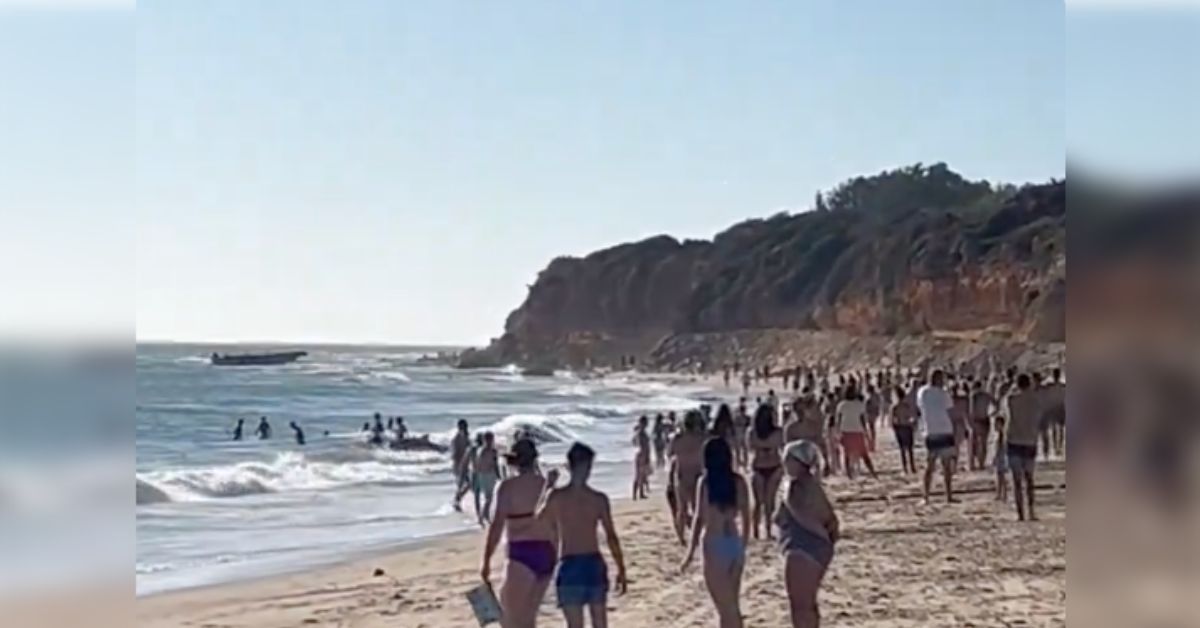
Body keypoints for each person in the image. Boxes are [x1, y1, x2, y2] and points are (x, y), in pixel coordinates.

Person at [537, 443, 628, 628]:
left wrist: (548, 486)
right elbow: (611, 537)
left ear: (569, 466)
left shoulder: (556, 496)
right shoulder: (598, 499)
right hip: (593, 562)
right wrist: (621, 568)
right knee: (600, 623)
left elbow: (539, 520)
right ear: (589, 467)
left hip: (569, 563)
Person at [481, 438, 556, 628]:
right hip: (546, 554)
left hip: (520, 554)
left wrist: (486, 561)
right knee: (528, 619)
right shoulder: (544, 485)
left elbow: (497, 526)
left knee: (509, 620)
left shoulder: (507, 487)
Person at [680, 438, 751, 628]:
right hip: (733, 541)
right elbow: (747, 517)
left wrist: (689, 553)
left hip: (713, 542)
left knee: (725, 607)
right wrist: (743, 545)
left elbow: (698, 518)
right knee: (731, 604)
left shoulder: (705, 483)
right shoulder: (738, 481)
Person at [776, 440, 839, 628]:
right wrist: (827, 540)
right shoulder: (813, 483)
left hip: (802, 547)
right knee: (809, 604)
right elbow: (832, 519)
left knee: (799, 606)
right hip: (818, 549)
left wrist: (819, 534)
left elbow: (799, 515)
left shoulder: (794, 485)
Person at [1005, 373, 1042, 521]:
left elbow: (1005, 407)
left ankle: (1020, 513)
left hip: (1014, 439)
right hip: (1030, 440)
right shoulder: (1036, 401)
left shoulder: (1012, 399)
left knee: (1016, 481)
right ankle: (1032, 510)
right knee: (1029, 479)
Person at [918, 370, 958, 503]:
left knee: (930, 465)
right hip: (945, 430)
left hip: (931, 430)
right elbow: (950, 410)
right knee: (945, 466)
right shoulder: (944, 393)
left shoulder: (922, 392)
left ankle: (926, 496)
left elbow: (921, 407)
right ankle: (948, 495)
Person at [669, 410, 708, 546]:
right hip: (697, 474)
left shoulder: (678, 438)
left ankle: (681, 538)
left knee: (683, 509)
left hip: (683, 475)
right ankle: (691, 536)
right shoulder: (703, 437)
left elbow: (670, 454)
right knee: (696, 508)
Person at [747, 404, 784, 540]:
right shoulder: (777, 432)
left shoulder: (752, 432)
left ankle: (758, 530)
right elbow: (779, 446)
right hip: (770, 465)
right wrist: (768, 447)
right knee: (767, 502)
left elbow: (751, 447)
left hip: (762, 466)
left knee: (761, 502)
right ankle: (764, 530)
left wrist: (763, 447)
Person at [836, 384, 877, 480]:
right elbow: (862, 419)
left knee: (847, 454)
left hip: (846, 431)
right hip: (857, 431)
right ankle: (872, 472)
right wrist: (866, 432)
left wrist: (837, 432)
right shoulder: (859, 404)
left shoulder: (841, 405)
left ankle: (849, 474)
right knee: (864, 454)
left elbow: (839, 420)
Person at [475, 432, 501, 525]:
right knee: (488, 498)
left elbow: (495, 464)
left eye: (491, 439)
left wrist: (498, 475)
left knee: (489, 497)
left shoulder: (491, 451)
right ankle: (482, 517)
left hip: (489, 474)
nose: (490, 441)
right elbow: (478, 465)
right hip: (485, 475)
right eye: (488, 439)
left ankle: (485, 515)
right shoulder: (482, 451)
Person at [890, 386, 917, 474]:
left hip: (900, 427)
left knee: (902, 449)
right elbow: (912, 416)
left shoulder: (894, 407)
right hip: (907, 426)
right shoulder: (906, 406)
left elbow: (892, 419)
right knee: (910, 449)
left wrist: (894, 427)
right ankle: (912, 466)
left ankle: (905, 467)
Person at [969, 381, 995, 471]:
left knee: (974, 443)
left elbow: (971, 409)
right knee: (983, 443)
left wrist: (970, 421)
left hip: (976, 420)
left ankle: (972, 465)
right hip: (984, 419)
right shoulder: (986, 395)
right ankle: (981, 463)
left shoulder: (973, 395)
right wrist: (992, 413)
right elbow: (996, 404)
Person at [451, 420, 473, 511]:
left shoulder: (465, 436)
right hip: (459, 465)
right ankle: (456, 501)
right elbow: (455, 454)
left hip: (465, 464)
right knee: (464, 484)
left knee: (468, 484)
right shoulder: (457, 439)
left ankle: (458, 500)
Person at [632, 416, 652, 500]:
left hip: (640, 454)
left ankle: (640, 493)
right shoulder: (641, 433)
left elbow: (634, 442)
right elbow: (644, 446)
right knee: (639, 475)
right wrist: (647, 457)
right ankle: (636, 494)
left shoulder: (639, 432)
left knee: (641, 475)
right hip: (642, 455)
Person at [994, 415, 1010, 503]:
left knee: (1002, 477)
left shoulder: (1003, 435)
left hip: (1002, 458)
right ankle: (999, 494)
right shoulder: (998, 435)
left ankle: (1004, 494)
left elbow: (1001, 448)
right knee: (999, 477)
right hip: (1000, 458)